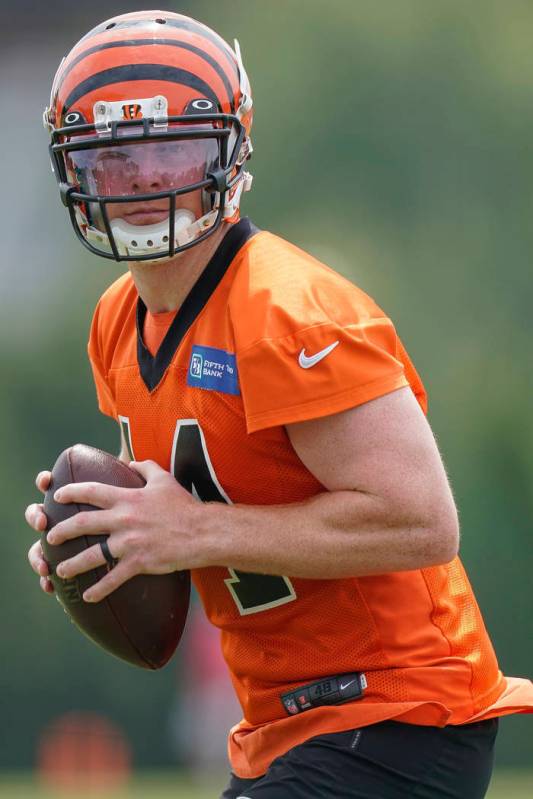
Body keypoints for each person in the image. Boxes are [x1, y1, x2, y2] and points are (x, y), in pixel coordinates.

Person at [26, 10, 533, 799]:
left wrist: (190, 530)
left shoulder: (288, 310)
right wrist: (109, 537)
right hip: (285, 725)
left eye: (175, 150)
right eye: (116, 157)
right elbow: (197, 494)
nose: (147, 180)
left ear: (230, 152)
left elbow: (422, 519)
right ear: (76, 172)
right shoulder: (113, 325)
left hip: (399, 712)